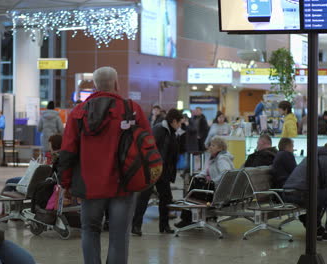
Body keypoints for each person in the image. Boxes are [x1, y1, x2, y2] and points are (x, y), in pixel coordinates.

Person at [59, 66, 150, 264]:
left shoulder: (78, 112)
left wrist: (65, 184)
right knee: (119, 235)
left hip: (88, 185)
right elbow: (147, 145)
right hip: (123, 184)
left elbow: (67, 151)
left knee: (90, 231)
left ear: (94, 85)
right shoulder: (132, 109)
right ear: (116, 84)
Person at [132, 108, 183, 236]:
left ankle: (164, 226)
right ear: (173, 121)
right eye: (179, 122)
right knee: (144, 197)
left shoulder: (171, 132)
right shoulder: (159, 130)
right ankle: (136, 225)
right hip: (152, 170)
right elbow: (149, 150)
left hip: (163, 171)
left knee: (166, 198)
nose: (180, 125)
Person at [283, 143, 327, 242]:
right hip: (301, 193)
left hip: (287, 193)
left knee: (319, 195)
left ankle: (314, 225)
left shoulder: (311, 157)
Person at [175, 137, 234, 228]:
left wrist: (212, 182)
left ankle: (187, 219)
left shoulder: (221, 159)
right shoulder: (214, 158)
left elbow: (226, 174)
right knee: (195, 185)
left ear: (220, 148)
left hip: (218, 191)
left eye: (213, 145)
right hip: (217, 189)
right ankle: (190, 218)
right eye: (210, 145)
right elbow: (206, 171)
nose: (210, 147)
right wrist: (198, 177)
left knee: (192, 193)